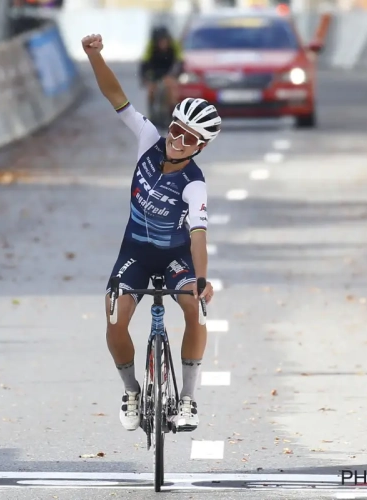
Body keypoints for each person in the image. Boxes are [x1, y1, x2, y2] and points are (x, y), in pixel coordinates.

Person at [81, 33, 220, 433]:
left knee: (194, 308)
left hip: (177, 256)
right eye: (176, 130)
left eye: (188, 139)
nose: (177, 140)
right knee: (114, 318)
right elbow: (117, 98)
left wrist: (202, 279)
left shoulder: (195, 184)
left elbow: (197, 236)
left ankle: (189, 400)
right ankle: (132, 391)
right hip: (136, 253)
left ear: (200, 147)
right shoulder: (148, 142)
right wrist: (95, 57)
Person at [140, 25, 183, 115]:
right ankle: (152, 111)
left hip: (169, 71)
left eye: (165, 41)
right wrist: (144, 78)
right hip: (155, 71)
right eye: (160, 42)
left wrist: (174, 74)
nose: (163, 44)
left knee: (171, 89)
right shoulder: (150, 46)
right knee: (151, 89)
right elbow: (144, 63)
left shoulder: (174, 45)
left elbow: (180, 62)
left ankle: (173, 112)